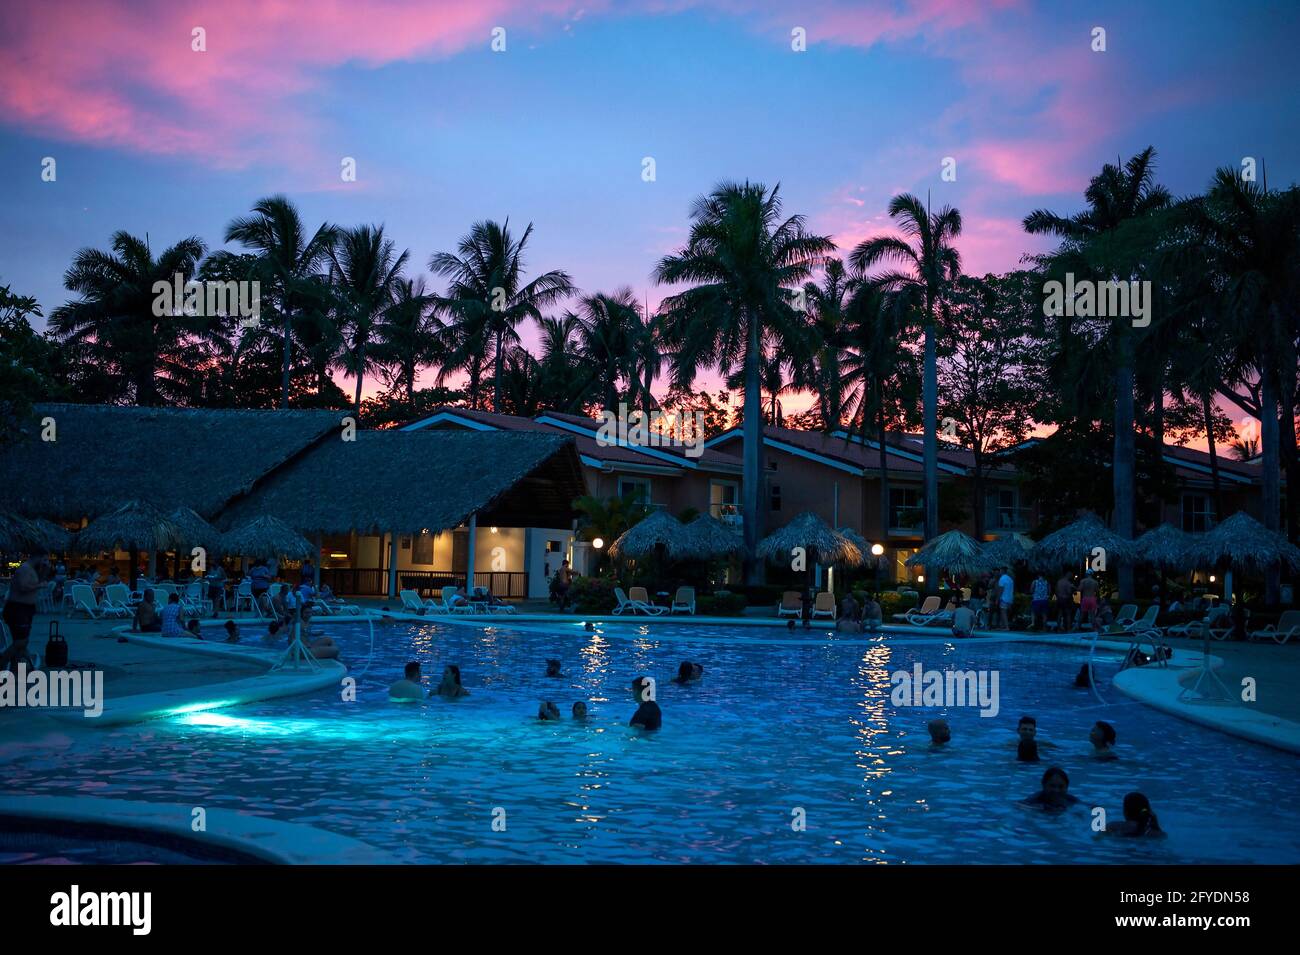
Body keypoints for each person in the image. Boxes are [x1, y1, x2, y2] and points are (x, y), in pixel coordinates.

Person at [1, 556, 48, 673]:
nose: (46, 562)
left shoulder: (33, 571)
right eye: (45, 559)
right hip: (18, 609)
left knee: (22, 642)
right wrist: (39, 585)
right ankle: (2, 662)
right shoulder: (24, 569)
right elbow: (23, 587)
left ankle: (15, 669)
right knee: (20, 642)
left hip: (25, 609)